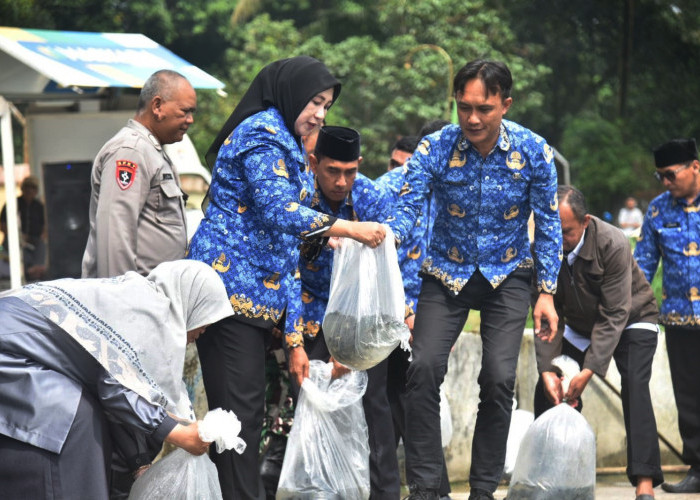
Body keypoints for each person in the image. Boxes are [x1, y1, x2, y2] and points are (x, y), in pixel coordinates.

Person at [187, 56, 386, 500]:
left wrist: (294, 339)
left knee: (245, 415)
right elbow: (279, 211)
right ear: (291, 93)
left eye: (327, 106)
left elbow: (287, 252)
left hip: (261, 301)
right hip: (227, 295)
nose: (320, 114)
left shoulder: (291, 143)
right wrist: (347, 228)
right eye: (315, 102)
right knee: (237, 417)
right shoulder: (262, 132)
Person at [386, 59, 562, 500]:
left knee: (500, 378)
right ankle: (427, 488)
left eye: (483, 108)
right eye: (463, 107)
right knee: (422, 368)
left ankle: (483, 490)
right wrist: (384, 238)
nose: (472, 118)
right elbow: (409, 206)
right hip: (446, 271)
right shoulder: (435, 148)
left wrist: (547, 293)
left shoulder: (534, 151)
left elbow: (549, 224)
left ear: (506, 104)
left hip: (509, 273)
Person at [0, 260, 233, 499]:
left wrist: (140, 462)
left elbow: (123, 394)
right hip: (9, 352)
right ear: (191, 300)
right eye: (206, 317)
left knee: (88, 417)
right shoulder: (147, 312)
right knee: (75, 418)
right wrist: (177, 433)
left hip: (21, 350)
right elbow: (115, 388)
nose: (204, 330)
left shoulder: (142, 300)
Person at [535, 185, 662, 500]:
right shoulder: (541, 247)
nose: (557, 238)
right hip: (578, 325)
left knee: (634, 382)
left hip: (633, 317)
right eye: (550, 230)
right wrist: (548, 369)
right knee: (548, 389)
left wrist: (589, 370)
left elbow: (615, 313)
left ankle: (644, 481)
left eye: (566, 231)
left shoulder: (612, 242)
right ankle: (555, 479)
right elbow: (546, 315)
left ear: (585, 222)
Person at [294, 125, 400, 499]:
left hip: (361, 316)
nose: (341, 182)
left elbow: (393, 245)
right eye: (331, 171)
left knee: (374, 402)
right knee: (311, 401)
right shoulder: (299, 196)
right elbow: (286, 265)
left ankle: (384, 492)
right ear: (313, 163)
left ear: (360, 165)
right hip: (308, 311)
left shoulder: (371, 195)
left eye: (349, 171)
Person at [378, 121, 452, 500]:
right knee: (389, 404)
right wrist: (405, 310)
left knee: (415, 401)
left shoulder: (457, 192)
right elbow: (375, 255)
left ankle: (432, 491)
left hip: (432, 317)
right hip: (387, 315)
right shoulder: (391, 188)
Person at [82, 69, 195, 278]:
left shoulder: (151, 150)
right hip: (133, 298)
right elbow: (115, 234)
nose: (190, 120)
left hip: (152, 297)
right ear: (157, 106)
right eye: (184, 111)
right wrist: (122, 297)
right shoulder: (131, 151)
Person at [634, 138, 700, 494]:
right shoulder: (658, 211)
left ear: (695, 166)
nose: (665, 183)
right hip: (678, 320)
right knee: (688, 397)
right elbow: (643, 264)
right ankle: (699, 468)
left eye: (670, 174)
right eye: (659, 177)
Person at [0, 175, 47, 280]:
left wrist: (42, 236)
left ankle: (37, 271)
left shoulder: (39, 206)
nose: (30, 190)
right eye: (28, 187)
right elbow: (2, 225)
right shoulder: (12, 204)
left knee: (41, 246)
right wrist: (17, 235)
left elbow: (45, 226)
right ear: (23, 188)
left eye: (33, 187)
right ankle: (28, 272)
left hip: (34, 240)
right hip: (14, 239)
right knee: (20, 251)